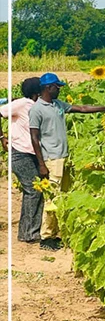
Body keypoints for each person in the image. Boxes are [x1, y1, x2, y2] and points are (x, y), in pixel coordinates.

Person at [28, 73, 105, 249]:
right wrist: (41, 164)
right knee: (52, 198)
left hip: (63, 157)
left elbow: (82, 109)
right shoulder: (36, 109)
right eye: (57, 87)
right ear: (48, 87)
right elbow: (34, 137)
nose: (60, 90)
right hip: (51, 159)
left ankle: (56, 234)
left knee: (63, 196)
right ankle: (46, 237)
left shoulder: (57, 105)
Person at [1, 78, 47, 246]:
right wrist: (2, 137)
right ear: (37, 91)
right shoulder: (22, 104)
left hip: (33, 154)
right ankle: (28, 233)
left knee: (35, 190)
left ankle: (30, 231)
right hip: (19, 154)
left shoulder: (38, 106)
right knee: (33, 190)